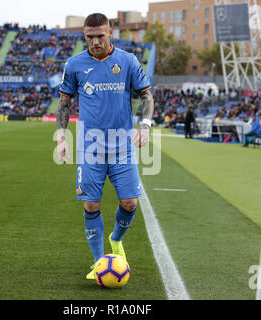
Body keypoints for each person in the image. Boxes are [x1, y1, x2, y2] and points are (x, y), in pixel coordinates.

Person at [55, 13, 154, 280]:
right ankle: (99, 262)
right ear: (84, 36)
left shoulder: (128, 61)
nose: (95, 41)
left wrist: (145, 125)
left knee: (130, 203)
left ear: (110, 33)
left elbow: (146, 95)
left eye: (100, 35)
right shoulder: (75, 65)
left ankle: (116, 238)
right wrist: (61, 137)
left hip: (122, 146)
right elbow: (64, 103)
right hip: (90, 147)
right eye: (90, 37)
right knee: (90, 205)